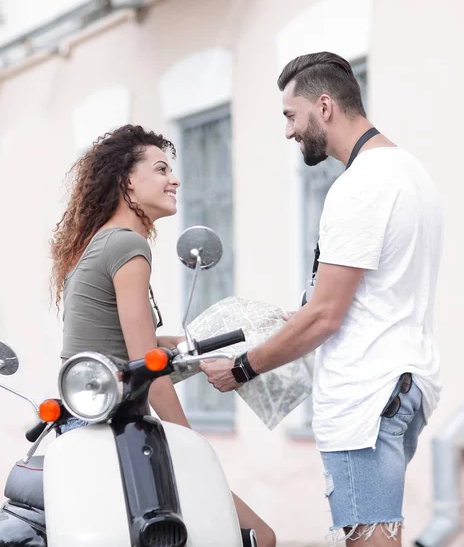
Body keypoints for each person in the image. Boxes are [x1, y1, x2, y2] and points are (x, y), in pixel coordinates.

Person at [201, 53, 444, 546]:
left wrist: (244, 367)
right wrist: (297, 319)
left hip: (365, 397)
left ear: (325, 106)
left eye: (291, 115)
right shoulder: (410, 173)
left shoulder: (359, 187)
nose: (289, 132)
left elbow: (327, 316)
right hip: (404, 383)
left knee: (369, 541)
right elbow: (359, 298)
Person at [50, 124, 275, 547]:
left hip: (86, 426)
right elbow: (144, 366)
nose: (174, 179)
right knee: (260, 537)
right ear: (126, 181)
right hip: (123, 432)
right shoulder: (128, 247)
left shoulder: (100, 244)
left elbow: (123, 343)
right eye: (160, 169)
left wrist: (199, 342)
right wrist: (191, 442)